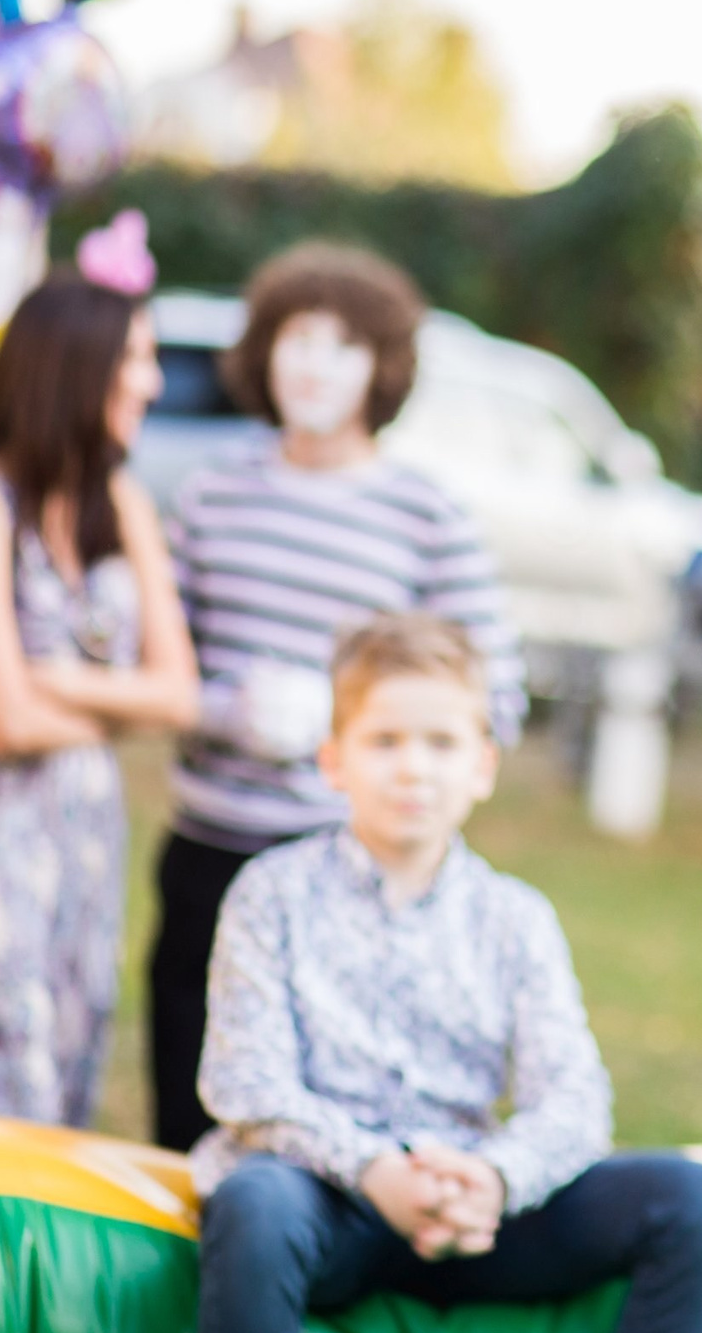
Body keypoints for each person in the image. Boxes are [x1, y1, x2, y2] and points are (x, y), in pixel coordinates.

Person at [190, 613, 702, 1333]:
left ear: (482, 766)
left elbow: (575, 1098)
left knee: (693, 1196)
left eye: (440, 743)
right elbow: (245, 1081)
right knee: (253, 1202)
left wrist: (494, 1177)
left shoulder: (516, 917)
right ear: (332, 760)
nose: (413, 767)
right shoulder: (270, 892)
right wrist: (376, 1171)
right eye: (385, 741)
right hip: (330, 1197)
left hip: (474, 1212)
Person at [150, 242, 527, 1151]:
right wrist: (225, 711)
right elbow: (152, 672)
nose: (312, 364)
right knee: (188, 1106)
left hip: (345, 867)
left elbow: (498, 696)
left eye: (341, 345)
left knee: (319, 1125)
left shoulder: (424, 514)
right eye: (294, 338)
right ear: (262, 352)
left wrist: (350, 722)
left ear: (382, 368)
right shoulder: (208, 498)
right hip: (212, 849)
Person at [0, 220, 200, 1125]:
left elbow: (179, 691)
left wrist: (47, 676)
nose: (148, 380)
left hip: (85, 839)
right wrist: (112, 704)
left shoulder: (123, 504)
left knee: (65, 1074)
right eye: (133, 358)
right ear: (73, 364)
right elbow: (1, 723)